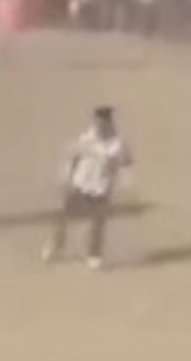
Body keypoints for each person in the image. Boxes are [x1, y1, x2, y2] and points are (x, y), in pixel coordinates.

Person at [43, 107, 133, 271]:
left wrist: (126, 182)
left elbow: (126, 163)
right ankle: (55, 246)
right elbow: (71, 159)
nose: (101, 126)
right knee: (64, 218)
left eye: (105, 123)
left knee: (98, 224)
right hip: (80, 185)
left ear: (110, 123)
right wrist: (65, 178)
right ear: (95, 123)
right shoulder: (85, 139)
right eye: (99, 123)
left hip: (101, 188)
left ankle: (94, 256)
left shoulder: (119, 143)